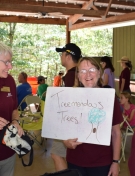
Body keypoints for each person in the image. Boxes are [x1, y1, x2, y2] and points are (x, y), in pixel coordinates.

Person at [63, 57, 123, 176]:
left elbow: (116, 133)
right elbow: (65, 129)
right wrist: (65, 141)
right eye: (83, 71)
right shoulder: (70, 98)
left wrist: (116, 162)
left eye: (91, 69)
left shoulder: (109, 98)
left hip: (101, 162)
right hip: (75, 160)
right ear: (78, 76)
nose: (88, 74)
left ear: (99, 72)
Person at [50, 43, 82, 172]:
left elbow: (69, 104)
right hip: (75, 124)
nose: (61, 56)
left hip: (68, 124)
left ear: (68, 56)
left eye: (62, 54)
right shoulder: (77, 74)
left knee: (56, 154)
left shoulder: (70, 77)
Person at [0, 42, 24, 176]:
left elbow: (14, 109)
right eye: (6, 62)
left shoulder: (9, 80)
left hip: (8, 148)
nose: (11, 66)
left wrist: (15, 121)